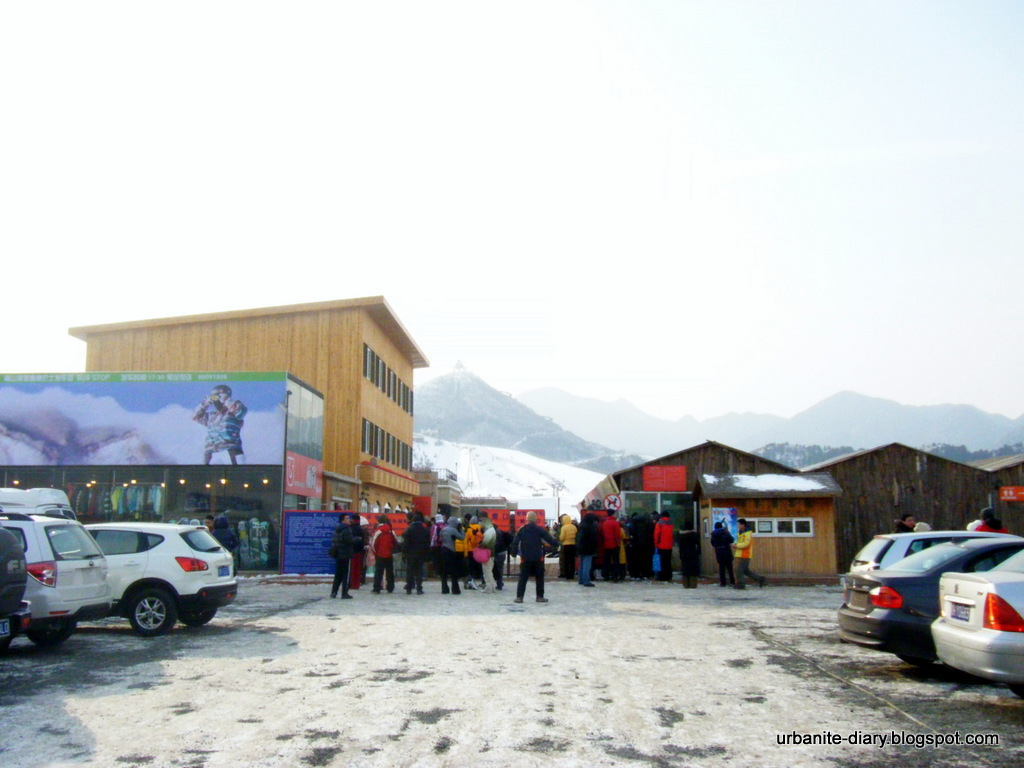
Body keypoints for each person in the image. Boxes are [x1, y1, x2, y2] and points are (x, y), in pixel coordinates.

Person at [192, 384, 247, 465]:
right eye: (214, 398)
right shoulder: (211, 416)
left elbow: (240, 412)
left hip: (231, 449)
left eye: (218, 397)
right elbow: (195, 417)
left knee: (237, 470)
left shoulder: (233, 413)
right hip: (211, 452)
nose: (217, 401)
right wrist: (205, 403)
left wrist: (226, 399)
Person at [511, 510, 558, 603]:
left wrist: (513, 553)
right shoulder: (539, 529)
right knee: (539, 577)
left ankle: (519, 597)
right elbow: (549, 539)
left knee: (523, 577)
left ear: (527, 519)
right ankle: (539, 597)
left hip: (525, 557)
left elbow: (515, 542)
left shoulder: (522, 529)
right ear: (535, 519)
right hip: (538, 557)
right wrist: (557, 544)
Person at [329, 514, 358, 599]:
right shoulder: (347, 529)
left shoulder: (337, 529)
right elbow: (349, 541)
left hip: (338, 553)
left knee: (338, 574)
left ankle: (334, 592)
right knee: (346, 574)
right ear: (343, 520)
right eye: (347, 518)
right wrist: (356, 539)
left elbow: (335, 541)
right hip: (345, 554)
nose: (349, 520)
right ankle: (344, 593)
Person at [733, 518, 766, 589]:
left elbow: (746, 544)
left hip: (745, 554)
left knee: (739, 570)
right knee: (745, 571)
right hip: (739, 553)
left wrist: (737, 545)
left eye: (739, 524)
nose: (738, 526)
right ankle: (760, 579)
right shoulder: (740, 532)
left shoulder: (747, 533)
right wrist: (736, 544)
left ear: (743, 525)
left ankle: (741, 584)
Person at [402, 512, 431, 594]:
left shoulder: (409, 529)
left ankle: (409, 588)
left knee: (410, 571)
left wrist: (404, 553)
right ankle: (419, 588)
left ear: (413, 520)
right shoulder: (425, 530)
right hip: (421, 553)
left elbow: (405, 543)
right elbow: (427, 543)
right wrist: (427, 553)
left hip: (410, 553)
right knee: (419, 571)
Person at [370, 514, 397, 594]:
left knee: (378, 572)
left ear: (378, 521)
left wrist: (375, 552)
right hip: (389, 554)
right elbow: (395, 541)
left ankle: (376, 588)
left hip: (379, 554)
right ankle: (390, 587)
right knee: (390, 572)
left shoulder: (378, 530)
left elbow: (373, 543)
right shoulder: (391, 530)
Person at [439, 514, 465, 595]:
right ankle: (455, 589)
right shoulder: (454, 530)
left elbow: (440, 537)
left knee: (444, 571)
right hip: (451, 550)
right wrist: (461, 529)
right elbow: (462, 538)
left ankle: (444, 589)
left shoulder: (443, 529)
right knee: (453, 571)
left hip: (443, 549)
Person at [576, 512, 600, 587]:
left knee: (581, 564)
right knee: (587, 565)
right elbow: (593, 539)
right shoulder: (591, 527)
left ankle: (581, 579)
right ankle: (586, 580)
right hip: (588, 548)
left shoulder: (581, 526)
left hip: (581, 548)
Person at [676, 519, 701, 589]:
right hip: (693, 554)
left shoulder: (682, 536)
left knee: (685, 569)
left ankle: (686, 584)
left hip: (685, 554)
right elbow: (698, 544)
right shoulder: (694, 535)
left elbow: (680, 547)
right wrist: (698, 552)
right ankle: (693, 584)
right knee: (693, 569)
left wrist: (680, 554)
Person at [710, 521, 735, 587]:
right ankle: (732, 582)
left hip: (719, 553)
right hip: (727, 552)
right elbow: (731, 540)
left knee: (721, 568)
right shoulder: (725, 532)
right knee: (730, 568)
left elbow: (713, 543)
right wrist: (728, 534)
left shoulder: (713, 534)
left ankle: (723, 583)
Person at [601, 511, 623, 582]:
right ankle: (615, 576)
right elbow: (617, 534)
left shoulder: (605, 523)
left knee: (606, 561)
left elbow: (602, 534)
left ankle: (606, 576)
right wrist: (618, 543)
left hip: (606, 544)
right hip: (614, 544)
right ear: (613, 514)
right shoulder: (615, 523)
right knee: (616, 561)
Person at [491, 520, 512, 591]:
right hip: (502, 552)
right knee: (500, 569)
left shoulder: (494, 533)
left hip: (497, 553)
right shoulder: (499, 531)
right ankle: (499, 583)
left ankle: (498, 584)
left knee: (495, 569)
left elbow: (496, 544)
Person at [654, 512, 674, 582]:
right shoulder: (671, 523)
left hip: (661, 545)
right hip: (669, 546)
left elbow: (656, 534)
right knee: (668, 561)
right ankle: (668, 575)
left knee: (662, 562)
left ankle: (662, 576)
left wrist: (656, 544)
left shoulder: (659, 523)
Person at [558, 514, 578, 580]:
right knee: (572, 560)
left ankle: (567, 575)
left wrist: (560, 538)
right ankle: (572, 574)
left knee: (566, 560)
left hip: (566, 545)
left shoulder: (564, 527)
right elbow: (576, 535)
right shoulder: (574, 527)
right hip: (573, 545)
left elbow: (562, 538)